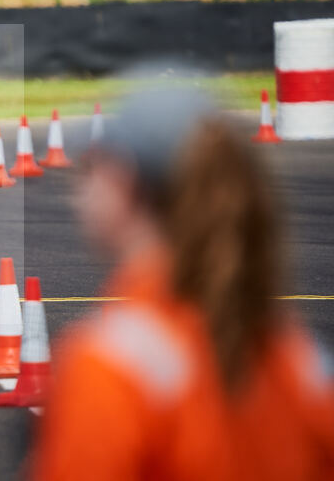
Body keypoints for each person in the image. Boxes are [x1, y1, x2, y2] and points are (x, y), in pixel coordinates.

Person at [31, 89, 334, 480]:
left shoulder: (109, 366)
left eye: (90, 170)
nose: (78, 194)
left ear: (124, 181)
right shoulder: (297, 357)